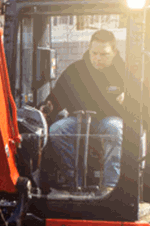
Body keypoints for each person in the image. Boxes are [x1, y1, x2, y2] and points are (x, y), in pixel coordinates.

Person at [41, 29, 125, 190]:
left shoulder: (124, 73)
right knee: (58, 129)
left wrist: (128, 100)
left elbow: (138, 104)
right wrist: (47, 108)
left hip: (110, 119)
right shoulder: (75, 70)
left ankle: (110, 186)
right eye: (94, 53)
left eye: (104, 54)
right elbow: (57, 96)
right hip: (79, 121)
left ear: (114, 52)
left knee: (115, 128)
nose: (97, 58)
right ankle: (73, 181)